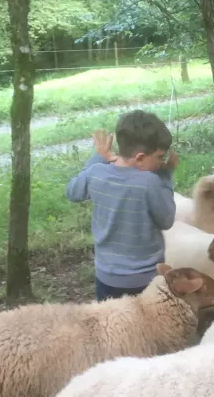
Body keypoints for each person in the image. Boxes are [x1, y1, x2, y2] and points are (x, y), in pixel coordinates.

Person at [67, 109, 179, 302]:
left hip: (106, 276)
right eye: (160, 157)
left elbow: (72, 192)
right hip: (146, 279)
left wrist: (100, 156)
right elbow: (167, 220)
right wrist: (166, 176)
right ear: (141, 157)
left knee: (112, 328)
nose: (161, 162)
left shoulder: (96, 173)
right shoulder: (150, 183)